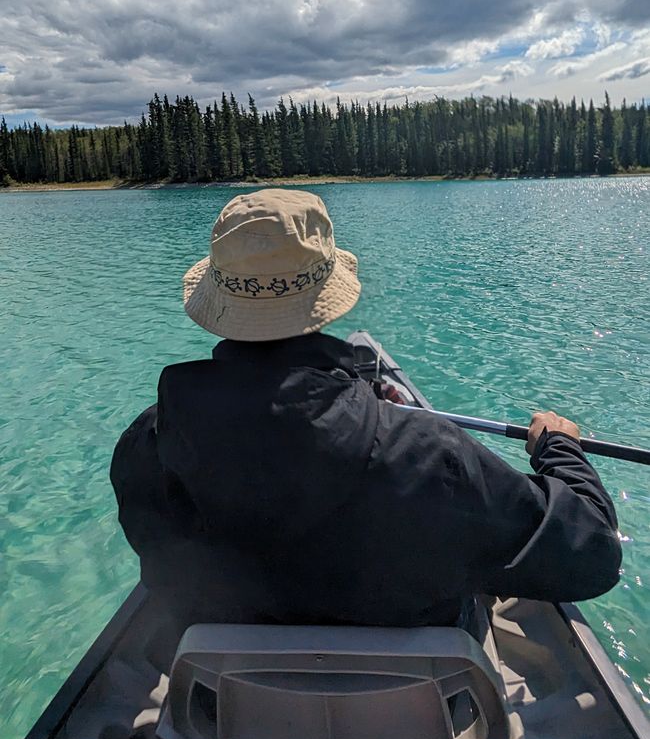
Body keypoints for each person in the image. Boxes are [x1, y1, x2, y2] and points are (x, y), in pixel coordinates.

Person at [110, 188, 621, 649]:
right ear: (326, 301)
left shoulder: (145, 447)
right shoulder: (432, 454)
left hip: (227, 714)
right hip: (414, 718)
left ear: (221, 301)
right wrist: (558, 447)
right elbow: (593, 554)